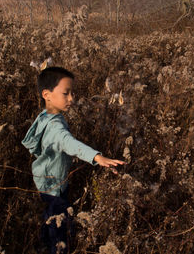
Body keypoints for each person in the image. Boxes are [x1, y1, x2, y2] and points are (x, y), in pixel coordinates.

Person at [22, 66, 125, 254]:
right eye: (66, 93)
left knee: (49, 219)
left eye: (72, 93)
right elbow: (68, 142)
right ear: (47, 94)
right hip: (54, 186)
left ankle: (42, 244)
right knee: (60, 228)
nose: (71, 99)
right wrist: (97, 157)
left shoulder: (45, 116)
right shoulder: (56, 126)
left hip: (43, 181)